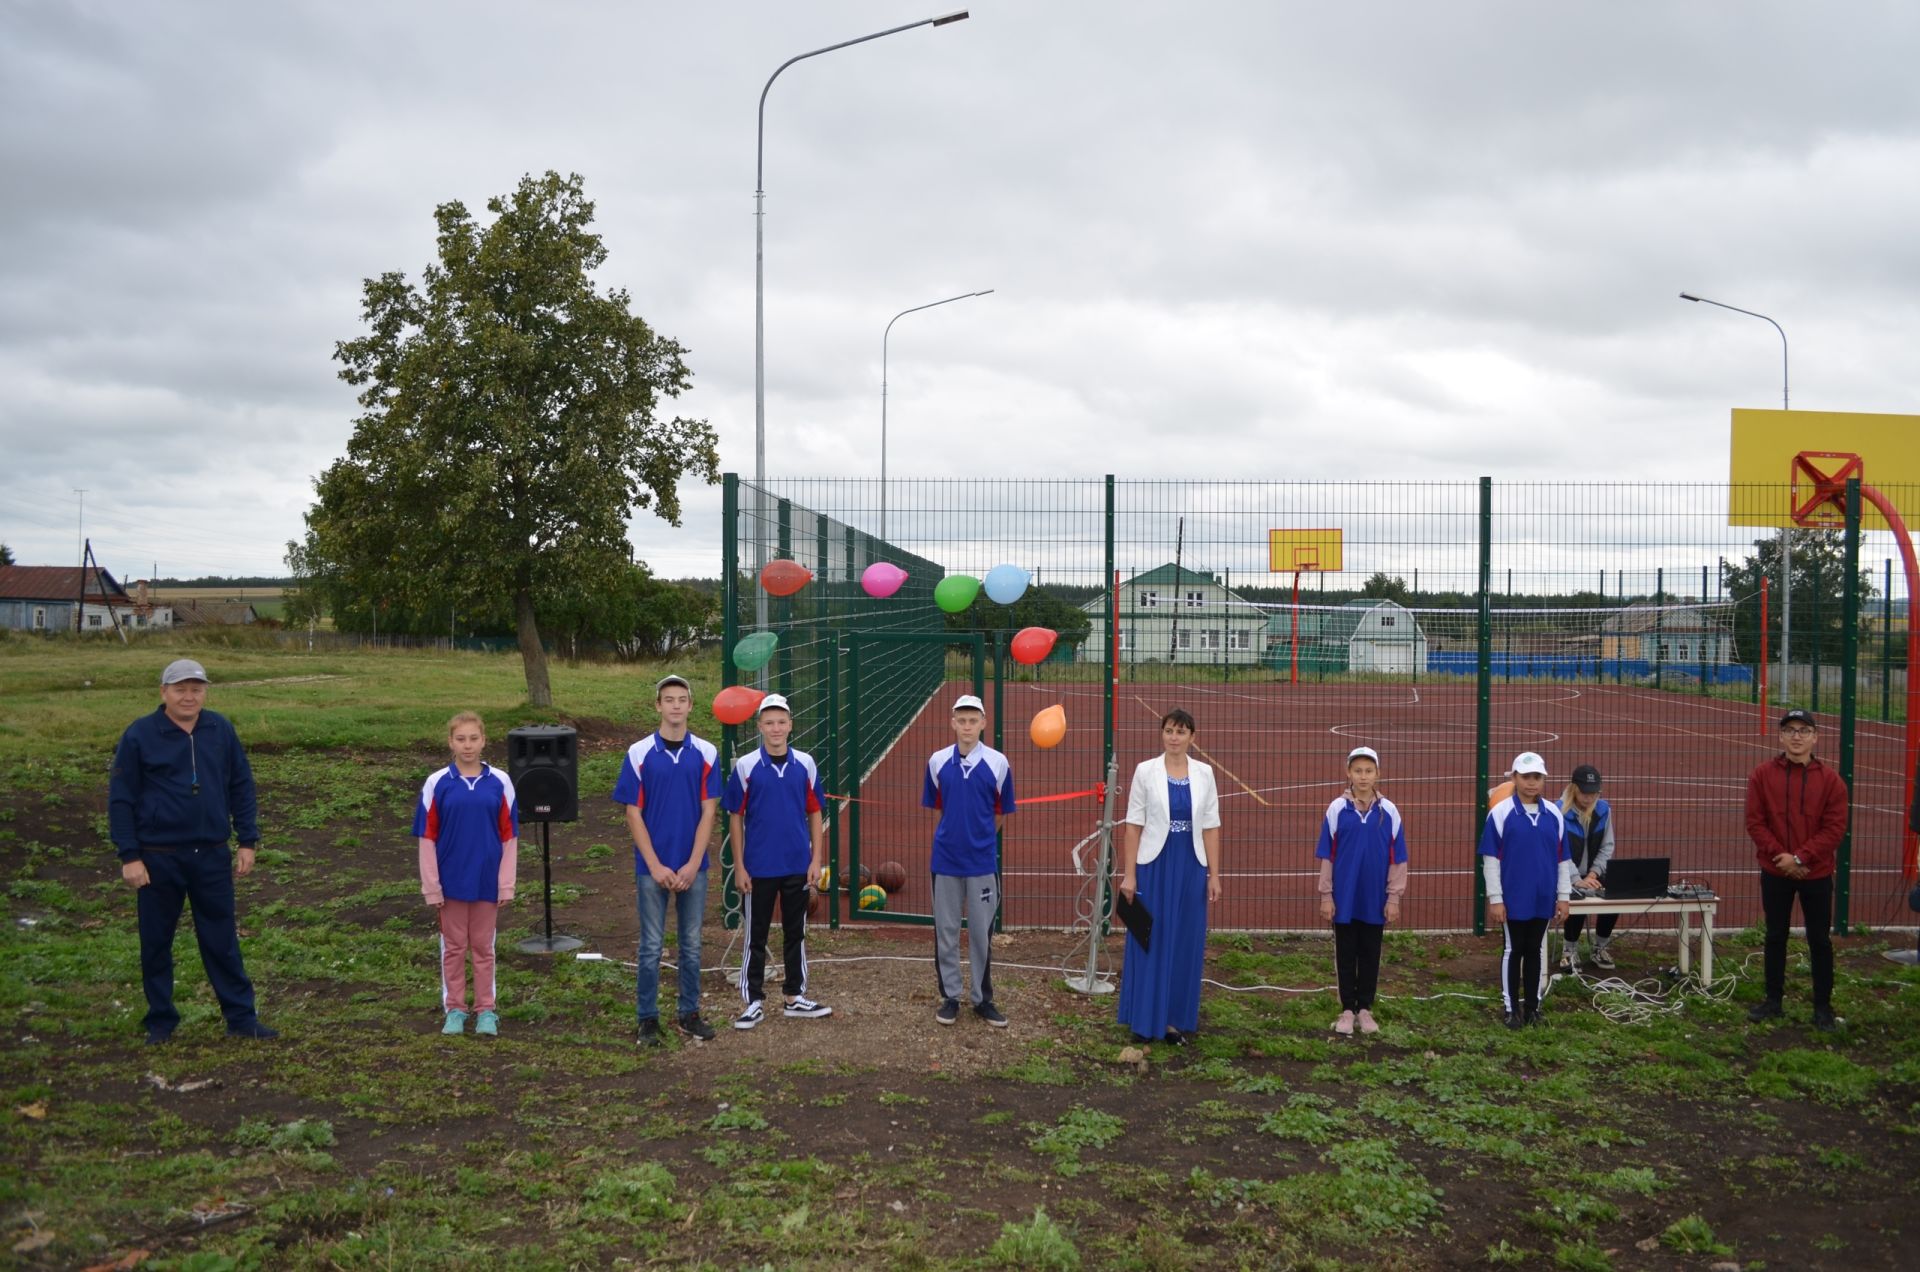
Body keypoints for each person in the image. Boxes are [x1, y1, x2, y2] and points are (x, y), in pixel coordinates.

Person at [108, 659, 276, 1044]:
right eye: (180, 689)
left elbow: (241, 785)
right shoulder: (140, 735)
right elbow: (121, 798)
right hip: (156, 856)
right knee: (156, 942)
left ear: (205, 691)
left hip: (212, 855)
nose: (189, 696)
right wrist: (129, 855)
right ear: (163, 692)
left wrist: (247, 840)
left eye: (196, 689)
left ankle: (241, 1018)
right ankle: (161, 1021)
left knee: (221, 939)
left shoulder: (220, 729)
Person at [611, 674, 721, 1046]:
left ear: (691, 706)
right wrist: (656, 865)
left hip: (694, 867)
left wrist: (692, 863)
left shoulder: (706, 753)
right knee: (651, 945)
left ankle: (689, 1013)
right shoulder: (639, 753)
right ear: (658, 706)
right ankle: (647, 1019)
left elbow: (709, 812)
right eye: (668, 699)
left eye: (682, 699)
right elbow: (632, 813)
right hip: (651, 868)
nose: (675, 706)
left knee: (691, 943)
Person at [1117, 709, 1225, 1045]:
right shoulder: (1145, 771)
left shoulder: (1205, 773)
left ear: (1193, 737)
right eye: (1169, 731)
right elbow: (1133, 826)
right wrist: (1129, 875)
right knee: (1148, 938)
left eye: (1181, 732)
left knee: (1183, 941)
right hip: (1153, 865)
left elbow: (1210, 826)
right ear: (1161, 734)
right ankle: (1144, 1019)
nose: (1174, 738)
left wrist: (1214, 875)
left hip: (1191, 866)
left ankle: (1173, 1021)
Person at [724, 694, 832, 1029]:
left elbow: (815, 811)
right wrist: (740, 867)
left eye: (781, 722)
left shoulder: (806, 763)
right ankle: (753, 1000)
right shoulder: (745, 766)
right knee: (755, 935)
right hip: (758, 868)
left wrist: (816, 858)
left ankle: (794, 996)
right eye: (769, 722)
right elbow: (735, 818)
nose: (775, 728)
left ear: (790, 725)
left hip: (797, 865)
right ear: (759, 726)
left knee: (794, 932)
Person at [414, 711, 518, 1037]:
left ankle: (486, 1010)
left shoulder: (500, 782)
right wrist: (432, 886)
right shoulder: (436, 784)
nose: (468, 745)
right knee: (454, 948)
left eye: (474, 738)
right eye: (461, 739)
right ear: (450, 742)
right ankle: (455, 1009)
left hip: (487, 881)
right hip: (451, 883)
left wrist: (506, 884)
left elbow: (509, 837)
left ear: (484, 740)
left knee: (484, 948)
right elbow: (426, 837)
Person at [1744, 709, 1847, 1031]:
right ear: (1781, 736)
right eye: (1790, 730)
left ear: (1815, 737)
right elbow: (1756, 822)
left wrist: (1801, 859)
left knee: (1819, 940)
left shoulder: (1831, 781)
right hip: (1776, 872)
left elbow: (1834, 829)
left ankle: (1822, 1007)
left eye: (1804, 730)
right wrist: (1782, 858)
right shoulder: (1762, 775)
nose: (1797, 736)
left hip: (1815, 874)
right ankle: (1773, 1001)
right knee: (1775, 936)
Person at [923, 693, 1017, 1027]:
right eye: (961, 720)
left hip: (981, 864)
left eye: (973, 720)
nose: (967, 726)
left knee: (980, 933)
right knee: (946, 932)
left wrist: (979, 841)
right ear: (952, 723)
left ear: (983, 723)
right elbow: (936, 809)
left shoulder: (998, 763)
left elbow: (1000, 814)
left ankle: (982, 999)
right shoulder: (936, 762)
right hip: (945, 863)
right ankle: (950, 996)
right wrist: (949, 838)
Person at [1315, 746, 1406, 1037]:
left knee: (1370, 952)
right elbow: (1327, 856)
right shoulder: (1336, 809)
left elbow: (1398, 859)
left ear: (1378, 774)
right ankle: (1346, 1009)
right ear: (1348, 773)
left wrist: (1393, 897)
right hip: (1345, 897)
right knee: (1345, 952)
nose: (1363, 777)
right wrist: (1326, 895)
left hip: (1375, 899)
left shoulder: (1389, 811)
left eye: (1369, 771)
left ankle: (1365, 1008)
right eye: (1358, 771)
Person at [1479, 751, 1570, 1028]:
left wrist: (1563, 896)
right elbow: (1491, 860)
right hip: (1513, 897)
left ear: (1544, 780)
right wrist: (1496, 898)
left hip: (1543, 897)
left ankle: (1533, 1007)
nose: (1532, 782)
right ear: (1514, 778)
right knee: (1513, 949)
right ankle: (1511, 1008)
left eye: (1537, 777)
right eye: (1526, 776)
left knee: (1535, 951)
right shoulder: (1500, 813)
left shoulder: (1553, 814)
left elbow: (1562, 859)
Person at [1558, 764, 1616, 973]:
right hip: (1565, 873)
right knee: (1576, 896)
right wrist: (1576, 879)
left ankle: (1600, 946)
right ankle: (1569, 949)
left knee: (1615, 895)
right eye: (1584, 792)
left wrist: (1594, 873)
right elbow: (1559, 851)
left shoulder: (1603, 810)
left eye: (1594, 793)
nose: (1589, 798)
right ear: (1573, 789)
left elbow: (1607, 846)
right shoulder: (1558, 812)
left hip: (1593, 872)